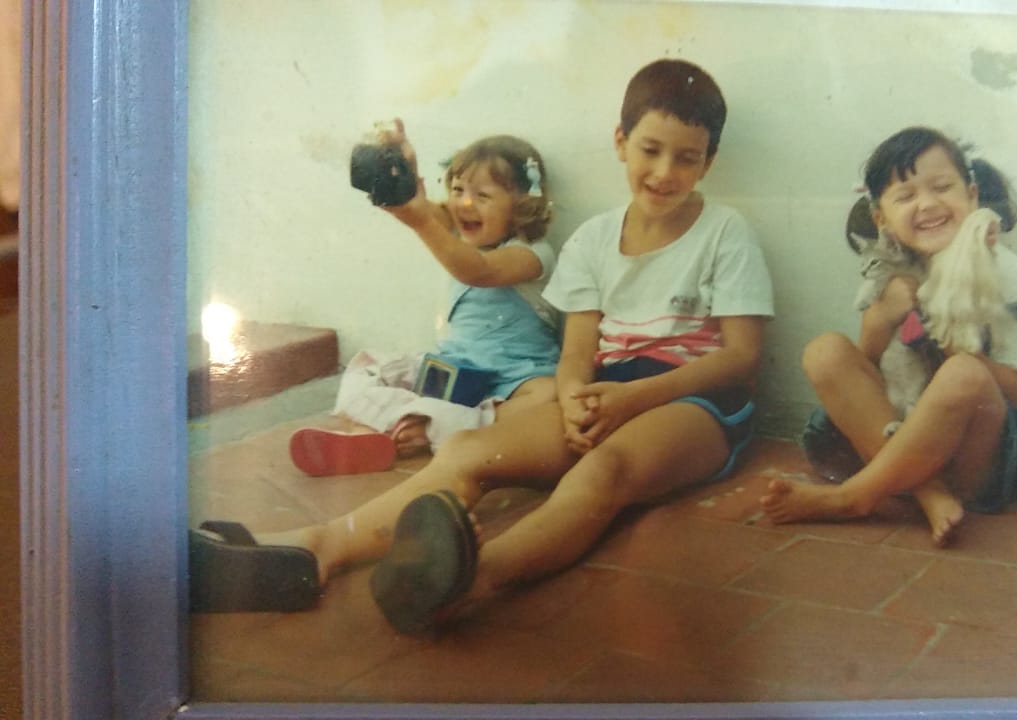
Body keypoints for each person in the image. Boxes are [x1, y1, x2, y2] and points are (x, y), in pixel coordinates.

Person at [189, 59, 775, 631]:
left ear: (708, 161)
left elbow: (740, 359)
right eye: (651, 149)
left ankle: (465, 581)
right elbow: (576, 352)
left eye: (686, 157)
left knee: (604, 470)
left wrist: (632, 400)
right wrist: (576, 396)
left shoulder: (725, 233)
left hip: (694, 404)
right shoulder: (593, 240)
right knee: (469, 451)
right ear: (621, 142)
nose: (665, 171)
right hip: (607, 394)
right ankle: (318, 549)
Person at [760, 126, 1017, 546]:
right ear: (882, 219)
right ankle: (928, 494)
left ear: (971, 195)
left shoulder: (1005, 272)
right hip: (897, 438)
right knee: (825, 352)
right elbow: (865, 370)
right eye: (905, 196)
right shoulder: (888, 270)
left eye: (942, 187)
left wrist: (956, 350)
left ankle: (851, 498)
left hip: (975, 456)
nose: (927, 204)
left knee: (963, 373)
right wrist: (883, 315)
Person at [287, 126, 562, 477]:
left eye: (482, 195)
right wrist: (401, 174)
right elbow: (414, 210)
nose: (464, 203)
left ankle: (418, 427)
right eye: (458, 190)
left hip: (516, 377)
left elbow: (477, 271)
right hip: (454, 368)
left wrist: (421, 221)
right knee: (367, 369)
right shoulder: (456, 227)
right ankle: (378, 435)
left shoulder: (533, 254)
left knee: (548, 396)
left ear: (522, 205)